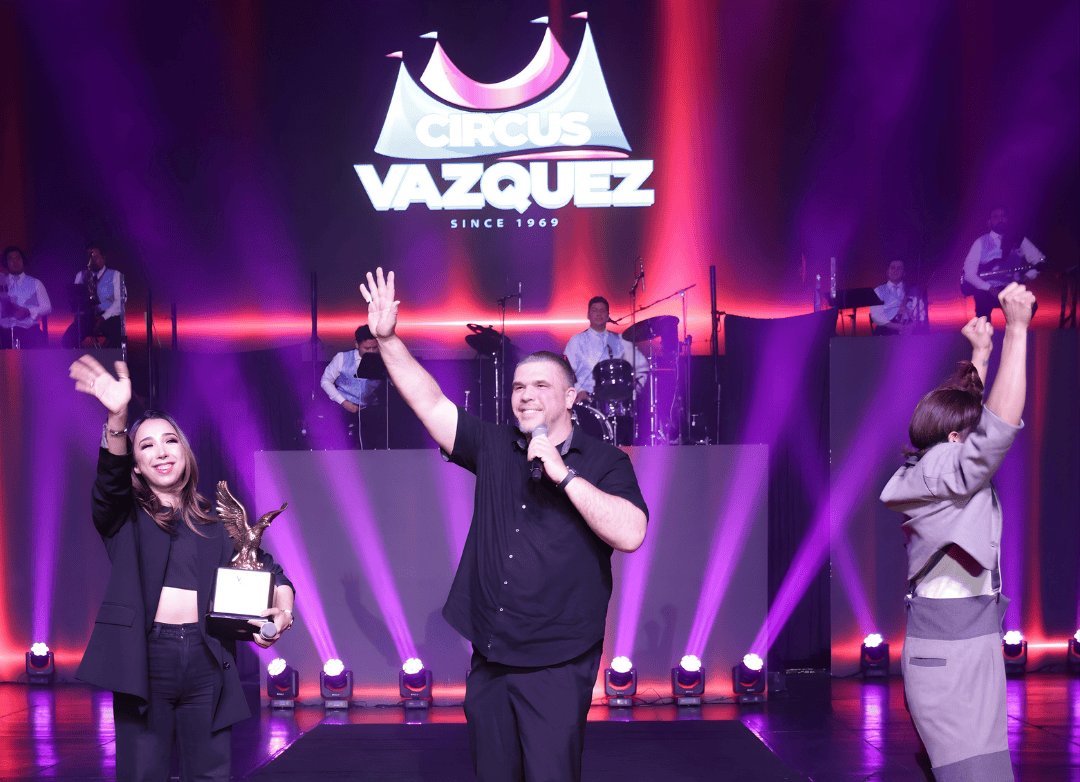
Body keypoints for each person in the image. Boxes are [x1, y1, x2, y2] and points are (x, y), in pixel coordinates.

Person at [360, 268, 648, 782]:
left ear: (570, 397)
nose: (525, 394)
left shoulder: (604, 461)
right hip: (491, 656)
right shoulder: (495, 445)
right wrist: (387, 340)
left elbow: (631, 533)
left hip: (559, 661)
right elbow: (429, 402)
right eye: (518, 386)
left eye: (540, 385)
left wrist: (564, 475)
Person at [69, 354, 295, 782]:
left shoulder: (216, 523)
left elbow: (270, 572)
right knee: (142, 773)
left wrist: (283, 613)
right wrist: (117, 418)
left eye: (170, 441)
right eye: (146, 445)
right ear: (136, 464)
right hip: (145, 658)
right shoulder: (122, 516)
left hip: (207, 656)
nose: (160, 452)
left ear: (185, 453)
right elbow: (110, 483)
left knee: (211, 774)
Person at [880, 282, 1035, 780]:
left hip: (965, 644)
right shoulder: (941, 467)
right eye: (968, 435)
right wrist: (1017, 330)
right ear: (953, 439)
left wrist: (981, 355)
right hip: (954, 656)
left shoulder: (935, 465)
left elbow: (971, 421)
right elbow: (995, 431)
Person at [962, 206, 1044, 320]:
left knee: (1030, 305)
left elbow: (1040, 261)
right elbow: (969, 274)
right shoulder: (980, 242)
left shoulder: (1019, 240)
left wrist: (1026, 277)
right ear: (989, 222)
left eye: (1003, 216)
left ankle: (1015, 328)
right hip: (987, 290)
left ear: (1008, 219)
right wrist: (990, 288)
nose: (1000, 219)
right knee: (982, 314)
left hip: (1012, 289)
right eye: (995, 217)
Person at [564, 296, 645, 405]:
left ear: (607, 316)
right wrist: (579, 391)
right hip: (586, 401)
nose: (599, 314)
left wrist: (635, 388)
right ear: (588, 315)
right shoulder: (576, 341)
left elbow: (643, 367)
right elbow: (564, 373)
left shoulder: (621, 340)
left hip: (620, 401)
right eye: (594, 310)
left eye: (602, 311)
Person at [320, 324, 384, 448]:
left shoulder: (382, 360)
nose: (371, 351)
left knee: (372, 443)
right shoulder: (341, 358)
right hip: (343, 407)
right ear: (357, 344)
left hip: (370, 408)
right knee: (341, 443)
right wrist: (343, 402)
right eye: (367, 348)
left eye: (374, 347)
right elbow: (325, 381)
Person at [63, 242, 126, 349]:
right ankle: (85, 356)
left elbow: (120, 301)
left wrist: (103, 317)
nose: (92, 260)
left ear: (103, 258)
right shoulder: (81, 275)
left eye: (95, 257)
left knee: (117, 337)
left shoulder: (115, 275)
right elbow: (75, 301)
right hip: (87, 318)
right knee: (67, 340)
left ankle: (112, 358)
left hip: (109, 317)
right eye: (90, 257)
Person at [0, 245, 52, 348]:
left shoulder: (36, 283)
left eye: (18, 257)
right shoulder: (2, 281)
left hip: (29, 330)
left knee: (37, 340)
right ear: (6, 263)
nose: (15, 261)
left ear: (23, 260)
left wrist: (28, 311)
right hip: (4, 330)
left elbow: (47, 307)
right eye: (11, 258)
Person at [869, 259, 926, 335]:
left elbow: (921, 314)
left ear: (904, 273)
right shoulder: (878, 290)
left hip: (908, 332)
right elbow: (876, 316)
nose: (895, 271)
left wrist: (912, 325)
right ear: (887, 271)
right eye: (892, 268)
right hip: (885, 331)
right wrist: (894, 326)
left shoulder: (913, 290)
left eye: (899, 268)